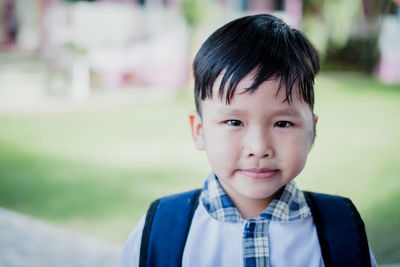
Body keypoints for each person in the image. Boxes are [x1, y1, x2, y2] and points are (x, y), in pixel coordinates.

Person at [116, 14, 377, 267]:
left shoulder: (341, 228)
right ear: (199, 130)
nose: (259, 148)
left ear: (312, 131)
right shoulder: (162, 229)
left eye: (283, 123)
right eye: (234, 122)